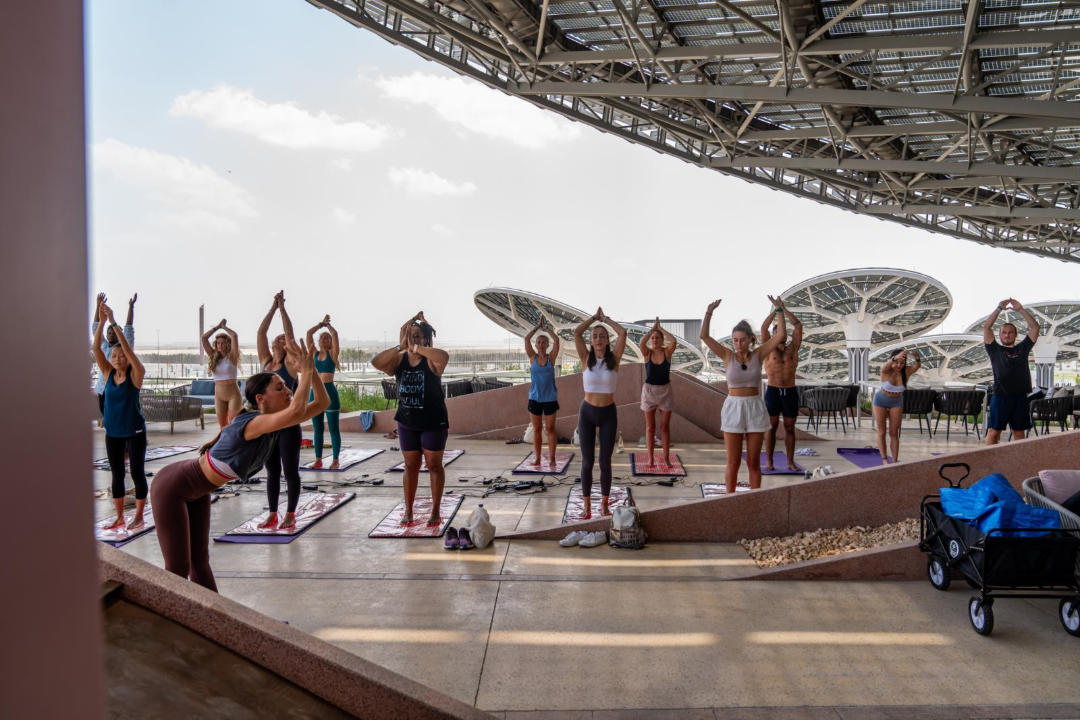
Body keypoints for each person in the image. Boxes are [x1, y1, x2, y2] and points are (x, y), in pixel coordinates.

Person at [151, 340, 327, 591]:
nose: (288, 390)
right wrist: (306, 371)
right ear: (260, 398)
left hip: (197, 492)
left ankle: (215, 621)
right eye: (281, 388)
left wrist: (313, 371)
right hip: (172, 487)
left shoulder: (271, 423)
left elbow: (322, 404)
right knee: (177, 568)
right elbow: (297, 408)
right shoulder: (252, 424)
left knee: (200, 562)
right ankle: (166, 623)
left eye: (287, 386)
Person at [700, 297, 785, 494]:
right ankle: (730, 500)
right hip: (733, 407)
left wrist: (779, 311)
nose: (738, 343)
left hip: (754, 406)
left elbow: (780, 335)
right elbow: (704, 336)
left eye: (742, 340)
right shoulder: (727, 355)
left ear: (751, 339)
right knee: (733, 462)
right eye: (735, 340)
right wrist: (709, 312)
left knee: (754, 461)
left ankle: (755, 499)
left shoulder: (759, 354)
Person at [371, 312, 450, 525]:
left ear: (425, 339)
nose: (414, 339)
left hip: (433, 422)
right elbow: (376, 362)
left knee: (434, 465)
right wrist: (401, 346)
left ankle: (435, 511)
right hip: (407, 422)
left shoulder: (432, 360)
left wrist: (416, 348)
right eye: (410, 335)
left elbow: (444, 357)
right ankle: (409, 510)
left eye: (417, 336)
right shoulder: (399, 360)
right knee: (410, 466)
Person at [92, 299, 148, 530]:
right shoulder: (107, 374)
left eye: (121, 356)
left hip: (134, 432)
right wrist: (101, 321)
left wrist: (113, 321)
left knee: (136, 472)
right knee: (116, 473)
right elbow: (96, 349)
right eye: (113, 356)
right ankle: (119, 516)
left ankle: (139, 515)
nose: (117, 358)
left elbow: (127, 349)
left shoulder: (136, 375)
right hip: (113, 432)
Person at [573, 308, 628, 518]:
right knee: (587, 462)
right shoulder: (585, 358)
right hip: (587, 413)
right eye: (595, 336)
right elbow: (577, 333)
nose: (598, 339)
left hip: (608, 414)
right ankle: (587, 505)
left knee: (605, 462)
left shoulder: (614, 359)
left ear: (606, 340)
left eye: (602, 336)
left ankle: (604, 504)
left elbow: (622, 333)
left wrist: (605, 319)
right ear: (591, 340)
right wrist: (593, 319)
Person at [255, 291, 302, 529]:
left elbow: (291, 336)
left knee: (290, 471)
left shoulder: (291, 366)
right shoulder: (265, 361)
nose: (281, 340)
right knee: (272, 471)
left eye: (285, 339)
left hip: (288, 425)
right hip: (268, 426)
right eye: (279, 338)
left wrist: (283, 309)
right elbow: (261, 333)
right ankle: (273, 513)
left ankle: (290, 514)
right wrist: (272, 308)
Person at [984, 298, 1039, 445]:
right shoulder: (994, 349)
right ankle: (988, 463)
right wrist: (998, 308)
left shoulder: (1023, 348)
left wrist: (1021, 309)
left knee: (1019, 434)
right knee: (994, 432)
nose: (1007, 335)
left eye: (1010, 332)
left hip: (1020, 397)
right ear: (1000, 335)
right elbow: (986, 328)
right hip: (1000, 396)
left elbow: (1035, 328)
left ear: (1015, 335)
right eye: (1004, 332)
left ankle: (1018, 465)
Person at [760, 302, 803, 471]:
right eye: (778, 332)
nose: (782, 335)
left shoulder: (793, 349)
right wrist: (775, 310)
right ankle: (769, 461)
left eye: (783, 333)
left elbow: (798, 327)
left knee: (790, 428)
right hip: (773, 392)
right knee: (771, 428)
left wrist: (783, 309)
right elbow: (763, 328)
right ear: (774, 335)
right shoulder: (768, 349)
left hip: (791, 392)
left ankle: (790, 462)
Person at [639, 317, 677, 466]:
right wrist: (651, 330)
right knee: (650, 427)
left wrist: (661, 329)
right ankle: (651, 458)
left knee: (664, 427)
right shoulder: (647, 353)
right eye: (653, 338)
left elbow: (673, 341)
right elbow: (642, 343)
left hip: (665, 391)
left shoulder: (667, 352)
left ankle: (666, 458)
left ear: (662, 340)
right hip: (649, 392)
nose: (654, 340)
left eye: (657, 338)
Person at [872, 349, 921, 464]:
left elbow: (917, 366)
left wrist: (917, 358)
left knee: (894, 432)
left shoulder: (906, 372)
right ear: (892, 360)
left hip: (897, 401)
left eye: (902, 363)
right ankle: (884, 460)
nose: (899, 365)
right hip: (880, 400)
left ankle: (894, 461)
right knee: (881, 432)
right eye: (896, 362)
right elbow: (885, 366)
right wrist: (895, 357)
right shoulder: (886, 371)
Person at [91, 292, 135, 418]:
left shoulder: (125, 347)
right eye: (108, 332)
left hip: (120, 387)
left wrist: (131, 307)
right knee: (107, 417)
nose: (110, 334)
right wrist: (98, 306)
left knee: (121, 416)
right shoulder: (104, 346)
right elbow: (95, 329)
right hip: (103, 389)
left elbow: (128, 328)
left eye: (113, 332)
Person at [524, 318, 561, 467]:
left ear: (547, 345)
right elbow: (526, 339)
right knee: (537, 429)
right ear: (536, 345)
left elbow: (557, 340)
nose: (541, 345)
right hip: (535, 398)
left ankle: (552, 458)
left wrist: (547, 329)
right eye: (538, 342)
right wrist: (537, 327)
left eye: (543, 343)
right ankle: (538, 458)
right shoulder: (532, 357)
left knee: (551, 429)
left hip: (550, 398)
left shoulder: (551, 358)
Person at [306, 315, 342, 469]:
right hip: (315, 393)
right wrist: (320, 324)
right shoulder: (314, 353)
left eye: (326, 339)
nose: (323, 340)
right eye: (321, 338)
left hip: (329, 392)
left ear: (330, 342)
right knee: (317, 428)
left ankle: (335, 460)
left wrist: (328, 327)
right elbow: (308, 334)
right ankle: (318, 459)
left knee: (333, 428)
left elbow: (335, 335)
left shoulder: (332, 355)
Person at [201, 318, 242, 430]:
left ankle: (235, 446)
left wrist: (224, 327)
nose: (220, 345)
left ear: (228, 344)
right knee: (222, 426)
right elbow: (204, 338)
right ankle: (223, 446)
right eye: (218, 343)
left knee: (233, 425)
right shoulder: (213, 356)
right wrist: (217, 327)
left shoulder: (232, 356)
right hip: (219, 395)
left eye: (223, 343)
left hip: (233, 394)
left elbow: (234, 336)